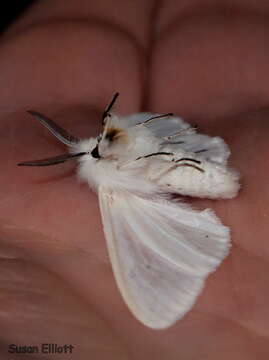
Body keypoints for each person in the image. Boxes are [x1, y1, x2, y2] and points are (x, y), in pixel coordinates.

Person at [1, 1, 268, 358]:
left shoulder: (114, 153)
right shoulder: (114, 193)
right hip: (198, 171)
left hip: (194, 164)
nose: (93, 142)